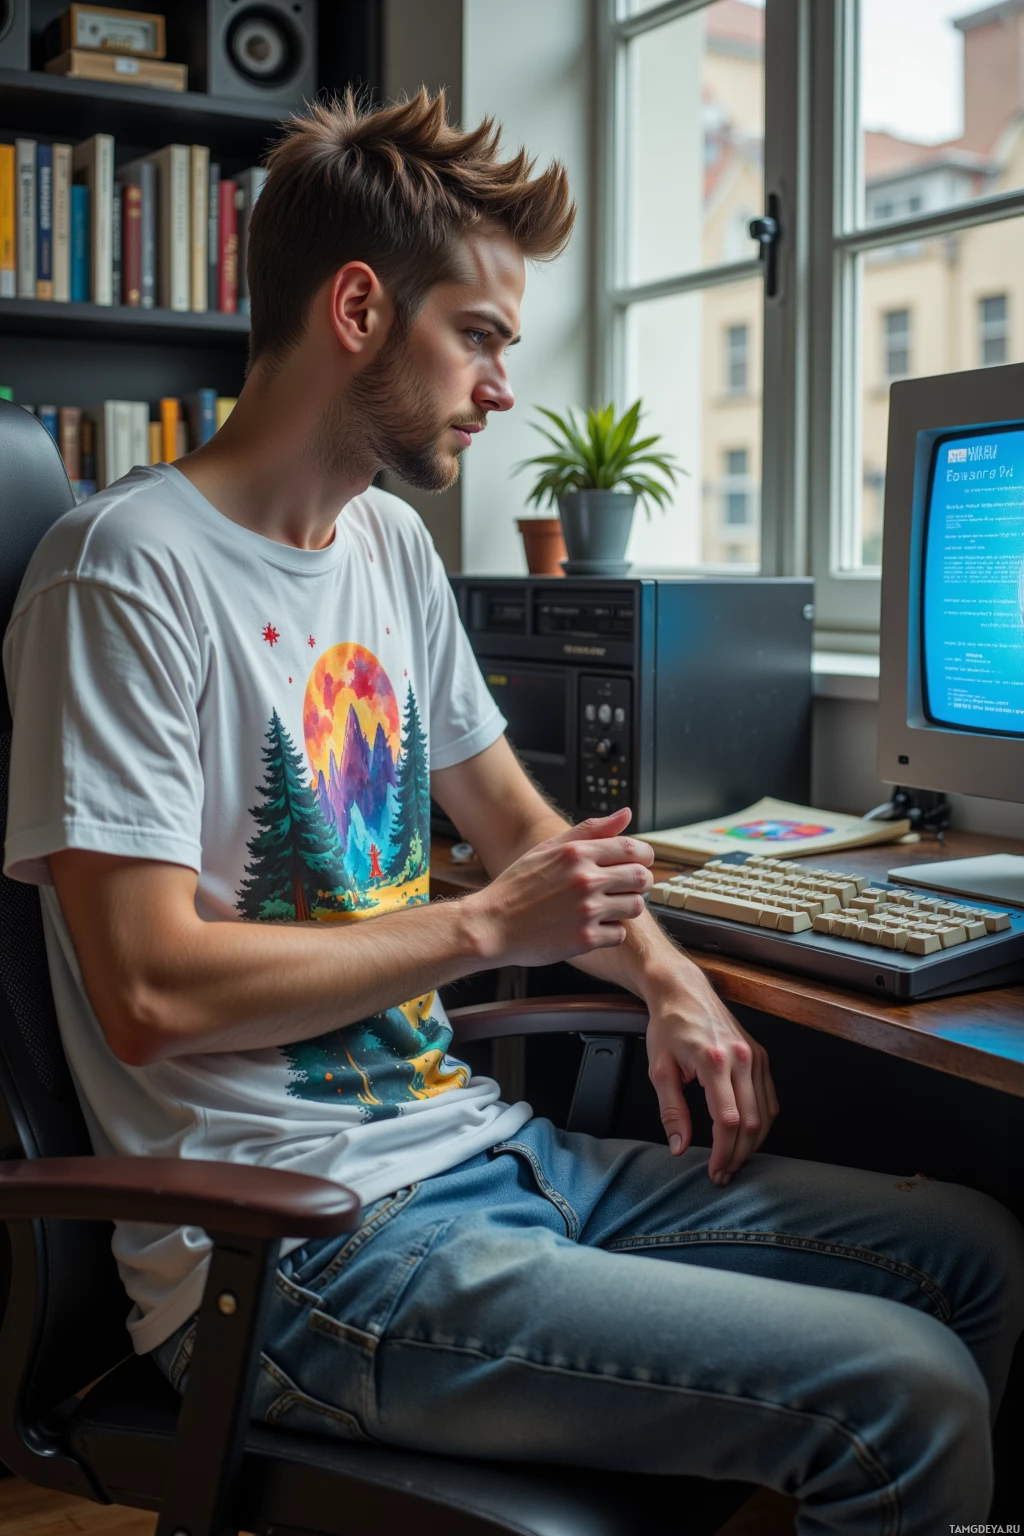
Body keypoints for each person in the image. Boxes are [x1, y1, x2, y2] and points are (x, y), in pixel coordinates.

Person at [3, 88, 1023, 1532]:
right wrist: (480, 927)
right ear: (358, 307)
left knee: (971, 1253)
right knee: (902, 1389)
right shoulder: (121, 574)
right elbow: (149, 992)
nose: (500, 387)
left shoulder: (393, 556)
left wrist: (671, 985)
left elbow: (526, 834)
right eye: (477, 336)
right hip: (298, 1257)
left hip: (484, 1160)